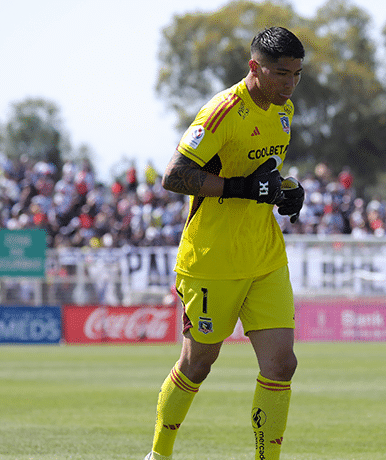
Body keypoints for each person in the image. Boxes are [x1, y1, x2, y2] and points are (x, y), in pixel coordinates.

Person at [145, 27, 306, 460]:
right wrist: (239, 188)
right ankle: (159, 455)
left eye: (296, 75)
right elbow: (174, 176)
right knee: (198, 364)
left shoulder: (284, 110)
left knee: (281, 365)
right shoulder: (221, 112)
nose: (289, 84)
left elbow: (265, 174)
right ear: (254, 67)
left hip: (265, 255)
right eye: (280, 74)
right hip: (212, 259)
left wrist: (287, 190)